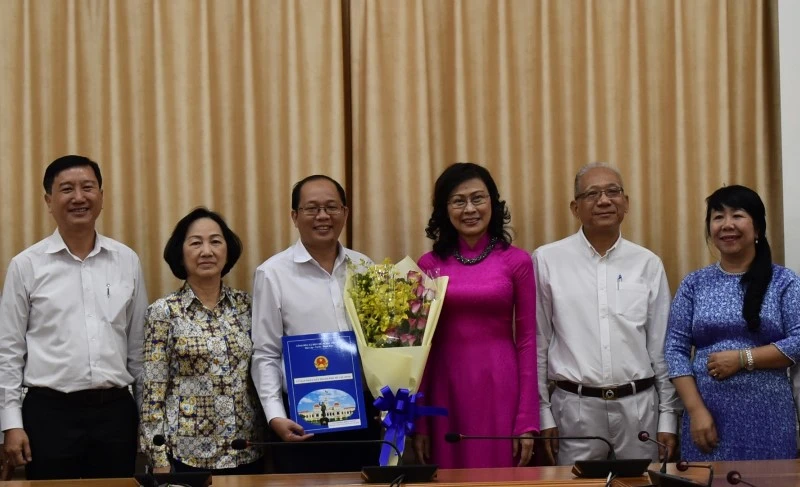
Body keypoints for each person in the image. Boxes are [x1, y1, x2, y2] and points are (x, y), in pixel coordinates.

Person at [0, 155, 148, 479]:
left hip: (115, 414)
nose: (79, 197)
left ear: (101, 197)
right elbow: (8, 352)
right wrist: (11, 424)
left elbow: (138, 351)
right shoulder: (26, 265)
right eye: (67, 189)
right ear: (49, 201)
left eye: (87, 187)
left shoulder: (126, 260)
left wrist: (146, 418)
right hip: (49, 414)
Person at [533, 162, 680, 465]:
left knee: (642, 483)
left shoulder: (647, 263)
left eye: (613, 192)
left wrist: (668, 416)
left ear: (626, 202)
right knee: (575, 485)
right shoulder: (547, 260)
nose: (604, 201)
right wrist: (543, 411)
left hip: (639, 408)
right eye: (592, 194)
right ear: (575, 207)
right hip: (574, 409)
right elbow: (538, 341)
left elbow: (662, 346)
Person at [250, 175, 381, 473]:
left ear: (345, 213)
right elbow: (266, 353)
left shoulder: (364, 267)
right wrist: (275, 415)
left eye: (331, 207)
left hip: (362, 415)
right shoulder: (272, 273)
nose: (323, 216)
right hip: (301, 419)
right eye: (311, 208)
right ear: (295, 216)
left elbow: (381, 344)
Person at [412, 162, 538, 469]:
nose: (469, 209)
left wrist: (527, 419)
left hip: (500, 388)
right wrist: (420, 420)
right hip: (445, 391)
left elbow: (527, 342)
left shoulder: (517, 261)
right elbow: (419, 348)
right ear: (444, 209)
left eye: (477, 198)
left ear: (493, 203)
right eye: (458, 201)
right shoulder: (428, 264)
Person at [664, 185, 800, 461]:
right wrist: (696, 411)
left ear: (757, 229)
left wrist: (743, 359)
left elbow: (798, 341)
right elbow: (675, 349)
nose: (727, 225)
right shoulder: (694, 283)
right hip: (707, 419)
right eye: (718, 217)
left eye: (737, 215)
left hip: (769, 417)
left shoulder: (784, 281)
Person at [140, 207, 265, 474]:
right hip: (186, 456)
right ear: (180, 253)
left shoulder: (247, 306)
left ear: (227, 250)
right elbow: (152, 392)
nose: (207, 251)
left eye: (215, 242)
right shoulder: (164, 312)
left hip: (246, 450)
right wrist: (158, 457)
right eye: (196, 243)